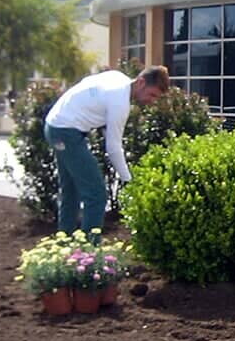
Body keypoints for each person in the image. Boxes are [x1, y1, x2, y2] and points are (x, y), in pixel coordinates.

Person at [42, 65, 169, 235]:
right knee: (96, 194)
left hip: (55, 125)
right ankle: (89, 254)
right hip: (66, 132)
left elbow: (90, 89)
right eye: (152, 94)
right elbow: (114, 147)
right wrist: (128, 179)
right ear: (140, 82)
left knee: (70, 190)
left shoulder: (117, 77)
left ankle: (64, 243)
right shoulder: (120, 102)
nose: (152, 101)